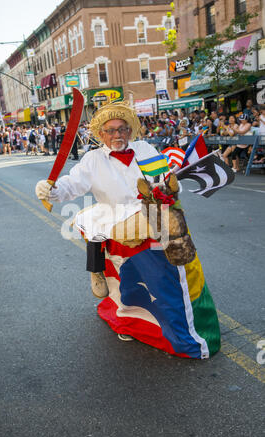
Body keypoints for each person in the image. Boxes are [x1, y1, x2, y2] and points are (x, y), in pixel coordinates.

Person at [35, 101, 220, 358]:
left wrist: (169, 183)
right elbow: (71, 185)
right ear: (101, 134)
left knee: (172, 277)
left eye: (122, 129)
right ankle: (124, 312)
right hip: (118, 227)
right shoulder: (92, 160)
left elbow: (162, 177)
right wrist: (50, 189)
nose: (117, 135)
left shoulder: (144, 148)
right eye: (110, 130)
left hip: (155, 220)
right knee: (127, 283)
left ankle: (181, 326)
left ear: (130, 131)